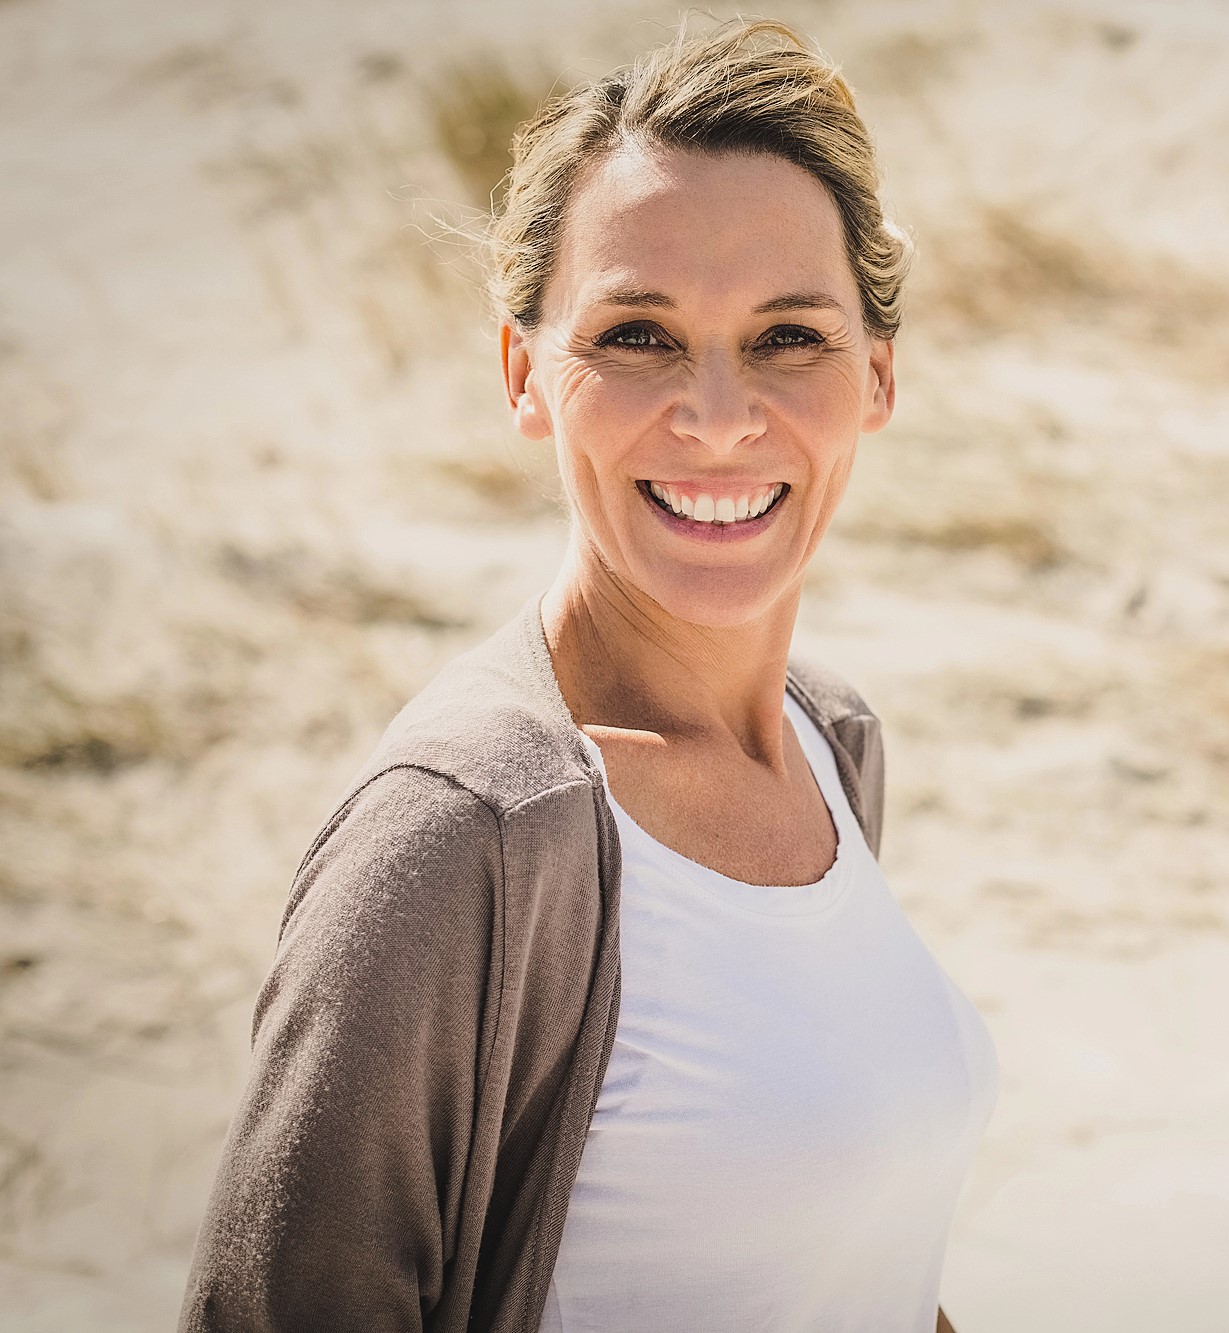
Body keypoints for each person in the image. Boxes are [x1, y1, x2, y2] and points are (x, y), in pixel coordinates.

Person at [179, 19, 997, 1332]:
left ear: (878, 377)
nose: (722, 415)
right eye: (638, 335)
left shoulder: (827, 743)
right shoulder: (467, 830)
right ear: (525, 375)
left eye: (790, 336)